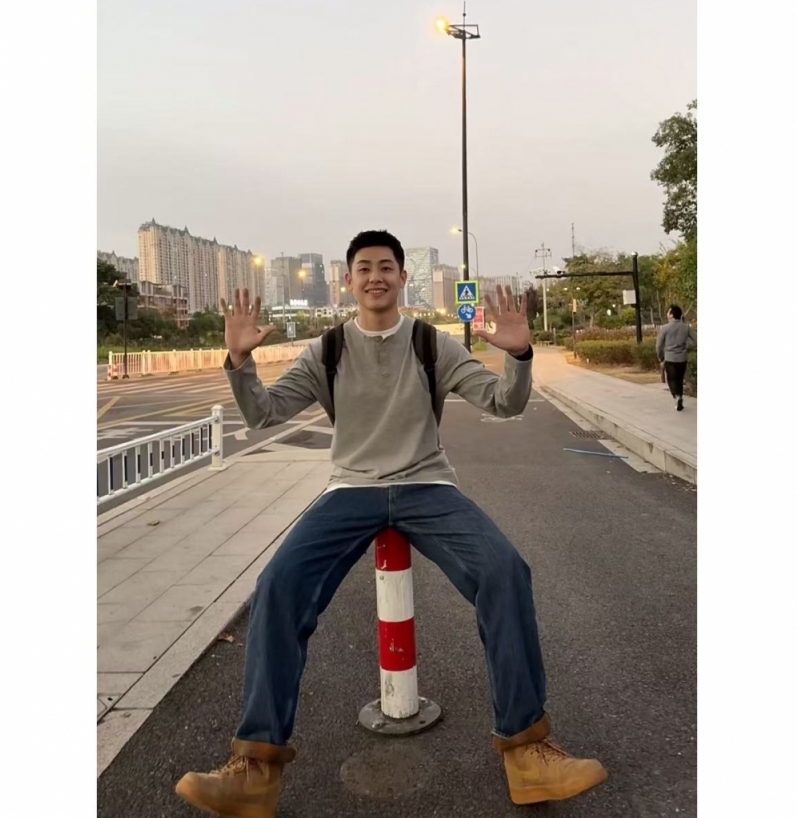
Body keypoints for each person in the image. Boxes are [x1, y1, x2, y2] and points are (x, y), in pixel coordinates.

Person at [175, 230, 607, 817]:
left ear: (403, 278)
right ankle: (255, 767)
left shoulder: (431, 343)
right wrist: (239, 361)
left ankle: (527, 751)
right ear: (348, 281)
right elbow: (263, 414)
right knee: (278, 585)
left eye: (386, 267)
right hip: (351, 489)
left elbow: (503, 403)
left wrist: (519, 355)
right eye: (364, 267)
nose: (375, 276)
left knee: (504, 570)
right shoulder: (327, 349)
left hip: (428, 485)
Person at [656, 304, 697, 411]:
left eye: (668, 312)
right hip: (682, 358)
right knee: (679, 379)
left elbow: (659, 345)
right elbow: (696, 341)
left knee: (671, 379)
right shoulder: (686, 327)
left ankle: (677, 397)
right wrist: (686, 346)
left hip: (670, 358)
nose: (667, 314)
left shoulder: (665, 328)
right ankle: (679, 398)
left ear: (671, 315)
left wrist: (660, 357)